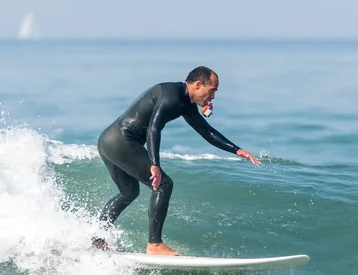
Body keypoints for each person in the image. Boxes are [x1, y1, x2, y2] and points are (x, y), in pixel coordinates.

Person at [93, 66, 259, 256]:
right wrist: (154, 163)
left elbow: (206, 131)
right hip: (121, 140)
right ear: (198, 85)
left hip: (108, 140)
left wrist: (236, 149)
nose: (212, 97)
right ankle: (154, 245)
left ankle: (97, 239)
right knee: (163, 184)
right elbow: (153, 128)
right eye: (212, 90)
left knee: (128, 192)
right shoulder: (171, 96)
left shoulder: (185, 103)